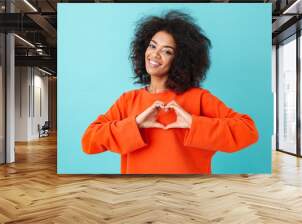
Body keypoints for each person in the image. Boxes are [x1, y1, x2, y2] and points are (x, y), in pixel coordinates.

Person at [81, 10, 259, 174]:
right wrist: (135, 124)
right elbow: (89, 141)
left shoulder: (199, 98)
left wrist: (193, 123)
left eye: (167, 51)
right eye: (152, 46)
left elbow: (248, 131)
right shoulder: (128, 100)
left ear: (181, 59)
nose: (155, 55)